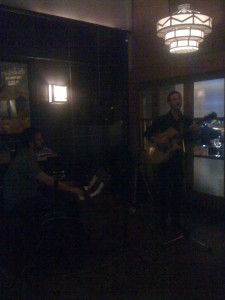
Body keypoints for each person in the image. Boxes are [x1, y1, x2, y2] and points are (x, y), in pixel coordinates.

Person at [144, 91, 199, 233]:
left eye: (178, 99)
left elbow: (191, 139)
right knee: (164, 191)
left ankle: (176, 220)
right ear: (169, 102)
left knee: (177, 192)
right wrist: (161, 140)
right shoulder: (162, 119)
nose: (177, 101)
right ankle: (162, 221)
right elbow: (148, 134)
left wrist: (195, 131)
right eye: (174, 99)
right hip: (164, 161)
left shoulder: (185, 120)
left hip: (178, 160)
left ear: (181, 102)